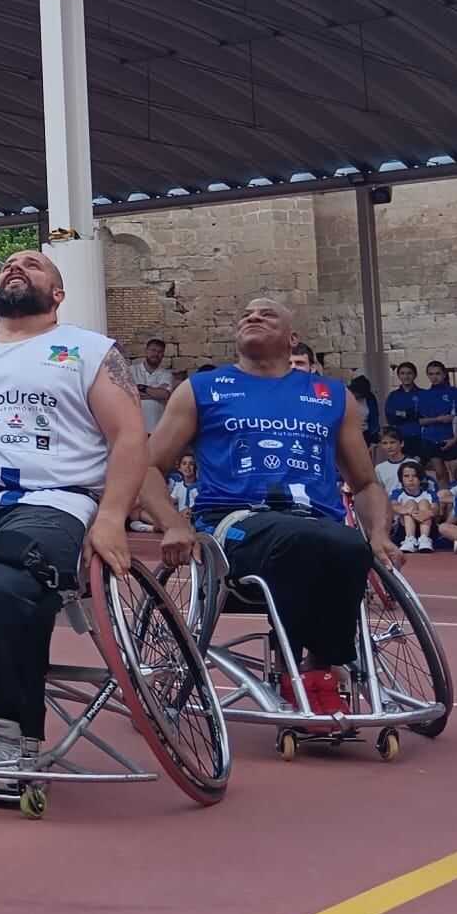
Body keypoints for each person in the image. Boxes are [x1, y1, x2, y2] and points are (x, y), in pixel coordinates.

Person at [0, 250, 152, 788]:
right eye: (9, 263)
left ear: (57, 294)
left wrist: (110, 518)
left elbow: (129, 437)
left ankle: (12, 730)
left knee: (2, 588)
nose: (16, 267)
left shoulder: (91, 351)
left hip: (55, 498)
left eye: (34, 264)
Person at [143, 296, 396, 717]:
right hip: (236, 523)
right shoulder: (202, 389)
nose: (253, 317)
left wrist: (380, 535)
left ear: (292, 338)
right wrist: (172, 523)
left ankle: (321, 670)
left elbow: (366, 482)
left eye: (266, 314)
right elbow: (149, 466)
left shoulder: (331, 395)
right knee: (299, 540)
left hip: (320, 523)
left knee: (352, 547)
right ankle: (294, 670)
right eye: (245, 315)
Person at [417, 361, 457, 482]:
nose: (434, 377)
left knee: (455, 471)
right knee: (440, 473)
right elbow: (420, 421)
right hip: (430, 439)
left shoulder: (455, 392)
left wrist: (455, 439)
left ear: (444, 374)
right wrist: (438, 419)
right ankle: (444, 499)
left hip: (450, 438)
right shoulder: (424, 395)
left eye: (438, 373)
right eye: (431, 374)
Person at [132, 338, 174, 434]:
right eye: (153, 350)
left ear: (163, 355)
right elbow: (129, 394)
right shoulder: (132, 371)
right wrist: (156, 392)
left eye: (160, 352)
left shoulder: (166, 375)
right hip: (135, 428)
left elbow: (164, 395)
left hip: (157, 429)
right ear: (146, 351)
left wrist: (141, 387)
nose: (156, 354)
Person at [392, 462, 436, 553]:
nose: (411, 479)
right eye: (406, 476)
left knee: (424, 502)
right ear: (401, 479)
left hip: (427, 527)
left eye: (414, 476)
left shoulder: (429, 494)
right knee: (410, 503)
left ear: (420, 478)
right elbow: (394, 506)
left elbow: (435, 509)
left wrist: (426, 513)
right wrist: (410, 512)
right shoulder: (397, 493)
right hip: (403, 530)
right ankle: (409, 539)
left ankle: (424, 539)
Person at [386, 364, 426, 463]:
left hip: (420, 437)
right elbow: (390, 417)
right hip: (401, 437)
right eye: (402, 373)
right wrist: (411, 414)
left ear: (415, 375)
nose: (406, 376)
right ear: (398, 376)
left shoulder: (423, 394)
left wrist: (404, 414)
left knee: (419, 467)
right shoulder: (393, 396)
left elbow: (424, 414)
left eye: (409, 373)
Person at [347, 376, 380, 447]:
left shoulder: (370, 399)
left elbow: (374, 418)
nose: (356, 397)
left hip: (365, 434)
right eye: (354, 394)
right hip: (347, 434)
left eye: (359, 396)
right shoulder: (343, 397)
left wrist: (374, 439)